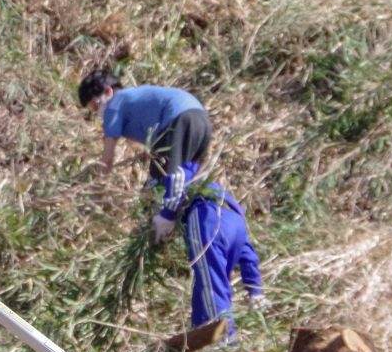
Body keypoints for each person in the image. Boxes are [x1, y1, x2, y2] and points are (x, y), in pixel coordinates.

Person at [78, 71, 263, 336]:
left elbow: (107, 159)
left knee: (160, 187)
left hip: (178, 122)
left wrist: (95, 196)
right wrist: (255, 290)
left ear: (107, 92)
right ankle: (165, 227)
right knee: (174, 181)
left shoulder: (115, 104)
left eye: (95, 106)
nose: (97, 113)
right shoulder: (139, 99)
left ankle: (159, 232)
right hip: (201, 121)